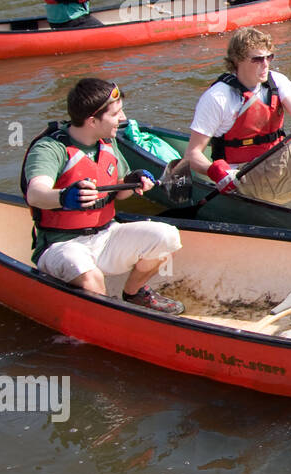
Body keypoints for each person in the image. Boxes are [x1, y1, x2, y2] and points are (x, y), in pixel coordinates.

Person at [21, 78, 184, 314]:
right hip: (61, 244)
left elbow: (120, 193)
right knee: (91, 278)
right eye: (116, 113)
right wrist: (64, 197)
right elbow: (36, 194)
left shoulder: (106, 141)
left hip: (106, 234)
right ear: (92, 120)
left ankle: (133, 293)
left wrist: (132, 182)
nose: (123, 118)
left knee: (166, 236)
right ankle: (107, 320)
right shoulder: (50, 148)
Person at [184, 29, 291, 220]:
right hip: (244, 177)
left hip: (275, 164)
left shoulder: (277, 80)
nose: (265, 64)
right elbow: (192, 155)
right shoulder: (218, 97)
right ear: (237, 60)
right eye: (258, 59)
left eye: (270, 57)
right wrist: (217, 171)